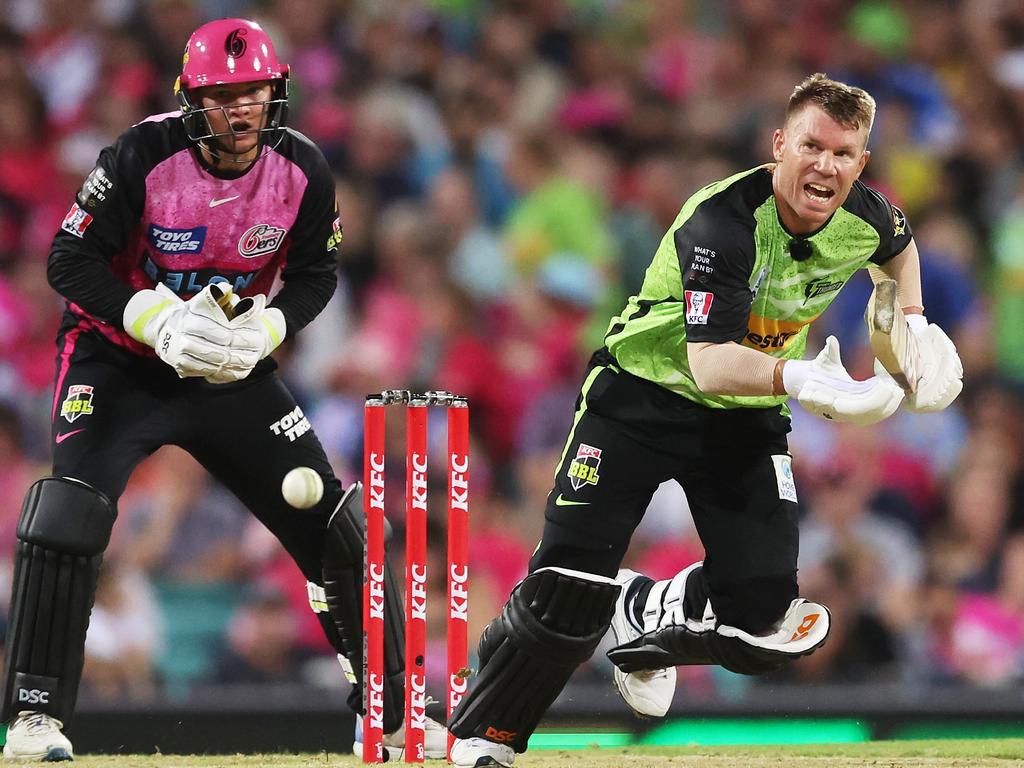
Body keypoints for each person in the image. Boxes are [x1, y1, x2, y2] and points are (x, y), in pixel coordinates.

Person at [447, 73, 964, 768]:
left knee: (767, 620)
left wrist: (913, 320)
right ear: (780, 145)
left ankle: (649, 613)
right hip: (641, 397)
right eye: (811, 147)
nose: (825, 166)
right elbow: (713, 364)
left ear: (861, 164)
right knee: (566, 590)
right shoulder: (722, 221)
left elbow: (899, 247)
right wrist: (806, 378)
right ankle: (488, 739)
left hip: (743, 419)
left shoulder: (869, 216)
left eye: (844, 155)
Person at [0, 18, 444, 762]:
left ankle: (393, 714)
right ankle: (35, 718)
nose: (242, 112)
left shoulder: (304, 170)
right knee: (69, 515)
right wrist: (151, 316)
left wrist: (267, 332)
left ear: (278, 93)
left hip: (228, 366)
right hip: (119, 362)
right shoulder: (140, 154)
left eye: (255, 94)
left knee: (338, 528)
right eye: (224, 96)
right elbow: (70, 260)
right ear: (190, 100)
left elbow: (315, 273)